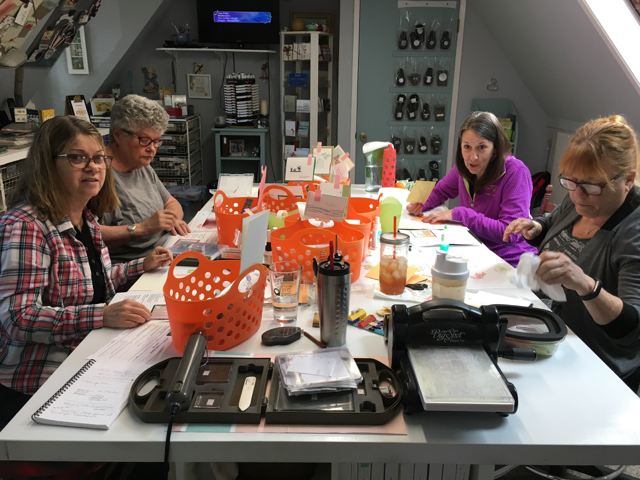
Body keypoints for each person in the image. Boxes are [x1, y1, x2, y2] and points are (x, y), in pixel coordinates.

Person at [0, 116, 173, 426]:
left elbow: (92, 285)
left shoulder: (85, 218)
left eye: (99, 158)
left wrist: (140, 266)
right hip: (38, 381)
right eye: (77, 158)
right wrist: (101, 315)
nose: (93, 167)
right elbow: (18, 318)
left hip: (87, 351)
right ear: (48, 164)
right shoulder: (26, 226)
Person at [504, 115, 640, 392]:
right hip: (550, 339)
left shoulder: (632, 232)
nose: (577, 194)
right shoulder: (579, 196)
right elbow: (553, 224)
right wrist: (536, 226)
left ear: (627, 180)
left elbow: (631, 330)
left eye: (591, 186)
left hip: (595, 368)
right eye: (571, 181)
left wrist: (585, 284)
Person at [406, 111, 537, 266]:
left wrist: (461, 214)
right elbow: (441, 191)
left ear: (495, 148)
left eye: (482, 147)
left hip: (510, 261)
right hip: (475, 247)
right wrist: (422, 203)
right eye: (467, 147)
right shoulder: (463, 167)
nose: (473, 157)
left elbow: (510, 233)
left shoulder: (516, 172)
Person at [101, 94, 190, 263]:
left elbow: (171, 202)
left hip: (162, 251)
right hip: (132, 266)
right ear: (118, 134)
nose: (152, 149)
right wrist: (142, 229)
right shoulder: (98, 173)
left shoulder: (140, 165)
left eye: (156, 141)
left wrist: (172, 219)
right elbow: (90, 237)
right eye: (144, 140)